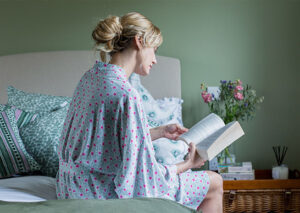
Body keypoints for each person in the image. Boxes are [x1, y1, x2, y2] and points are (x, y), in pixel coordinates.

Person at [56, 12, 223, 212]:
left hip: (70, 188)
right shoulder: (126, 95)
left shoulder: (91, 77)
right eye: (154, 49)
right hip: (102, 193)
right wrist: (187, 164)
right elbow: (144, 178)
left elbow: (104, 140)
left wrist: (159, 132)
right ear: (139, 41)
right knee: (215, 182)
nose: (155, 59)